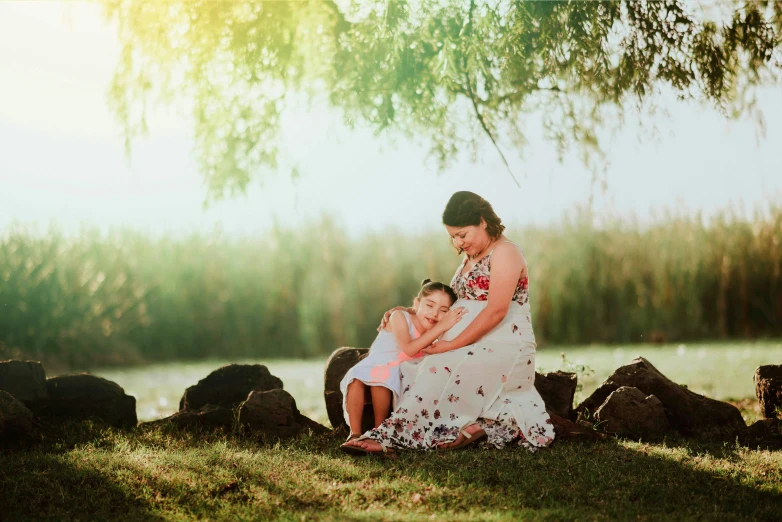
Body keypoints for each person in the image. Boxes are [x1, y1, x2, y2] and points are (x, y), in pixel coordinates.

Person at [343, 191, 555, 455]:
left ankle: (388, 437)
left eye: (462, 235)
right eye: (452, 237)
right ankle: (468, 426)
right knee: (411, 368)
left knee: (434, 368)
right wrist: (409, 311)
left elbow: (496, 311)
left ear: (482, 221)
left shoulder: (506, 252)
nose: (457, 242)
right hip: (467, 338)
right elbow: (451, 301)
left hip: (503, 342)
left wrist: (451, 344)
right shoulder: (472, 255)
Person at [339, 280, 464, 455]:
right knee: (359, 377)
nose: (435, 313)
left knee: (383, 378)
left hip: (402, 371)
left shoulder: (437, 331)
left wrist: (442, 328)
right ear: (416, 304)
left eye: (443, 311)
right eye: (429, 305)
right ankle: (355, 432)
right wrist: (441, 325)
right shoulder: (399, 316)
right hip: (378, 362)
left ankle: (380, 431)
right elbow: (410, 348)